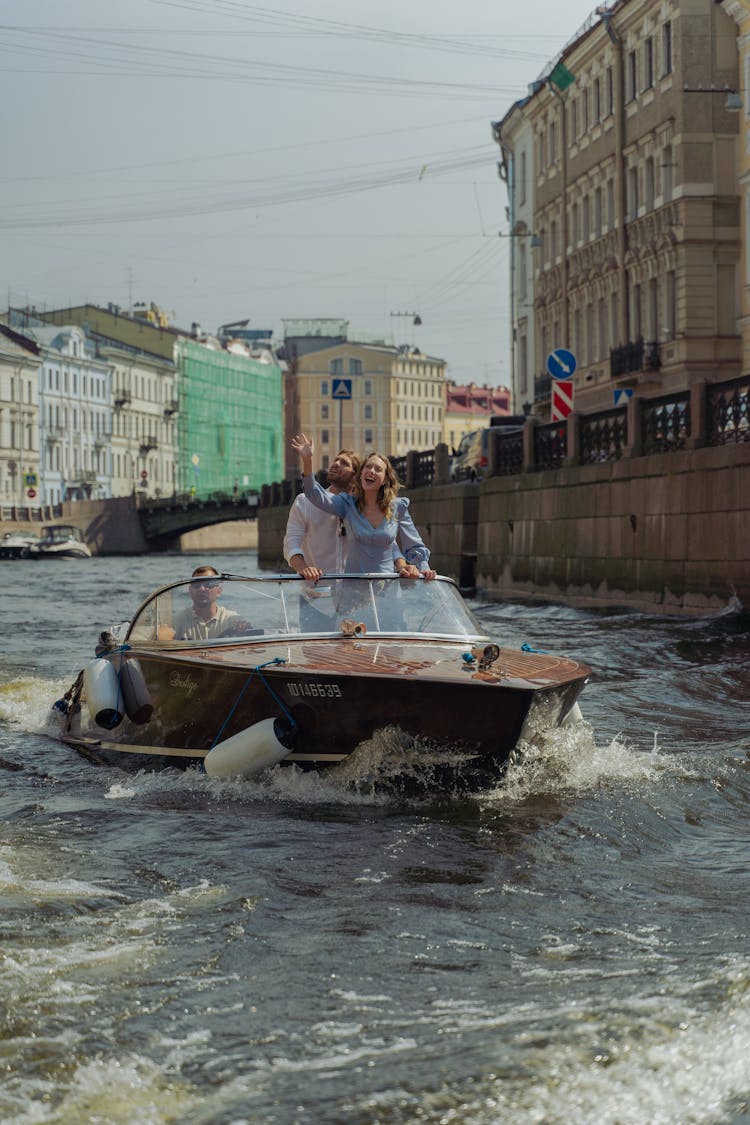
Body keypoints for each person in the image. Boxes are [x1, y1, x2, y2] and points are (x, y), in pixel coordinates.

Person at [291, 433, 436, 579]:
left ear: (385, 479)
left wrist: (421, 568)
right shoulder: (347, 504)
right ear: (360, 476)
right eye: (368, 467)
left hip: (386, 588)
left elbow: (412, 545)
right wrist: (307, 460)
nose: (371, 471)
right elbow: (314, 494)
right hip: (354, 589)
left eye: (378, 469)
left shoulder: (398, 507)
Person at [283, 448, 360, 581]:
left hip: (354, 593)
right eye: (336, 460)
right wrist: (303, 568)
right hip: (316, 591)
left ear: (356, 477)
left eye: (344, 463)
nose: (336, 464)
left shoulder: (362, 507)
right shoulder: (304, 502)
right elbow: (291, 544)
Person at [171, 566, 240, 641]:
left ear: (219, 591)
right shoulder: (176, 621)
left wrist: (241, 630)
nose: (202, 589)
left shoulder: (231, 619)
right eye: (196, 585)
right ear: (190, 591)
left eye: (208, 584)